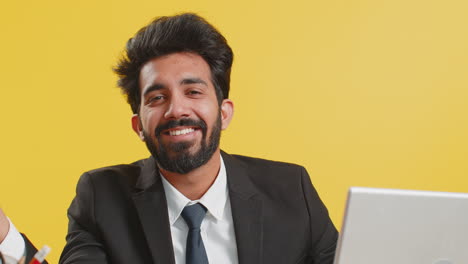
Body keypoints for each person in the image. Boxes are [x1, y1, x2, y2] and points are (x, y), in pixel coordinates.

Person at [4, 13, 338, 264]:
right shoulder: (101, 197)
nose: (176, 109)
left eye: (193, 91)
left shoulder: (292, 189)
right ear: (138, 125)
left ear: (224, 112)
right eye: (157, 98)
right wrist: (7, 240)